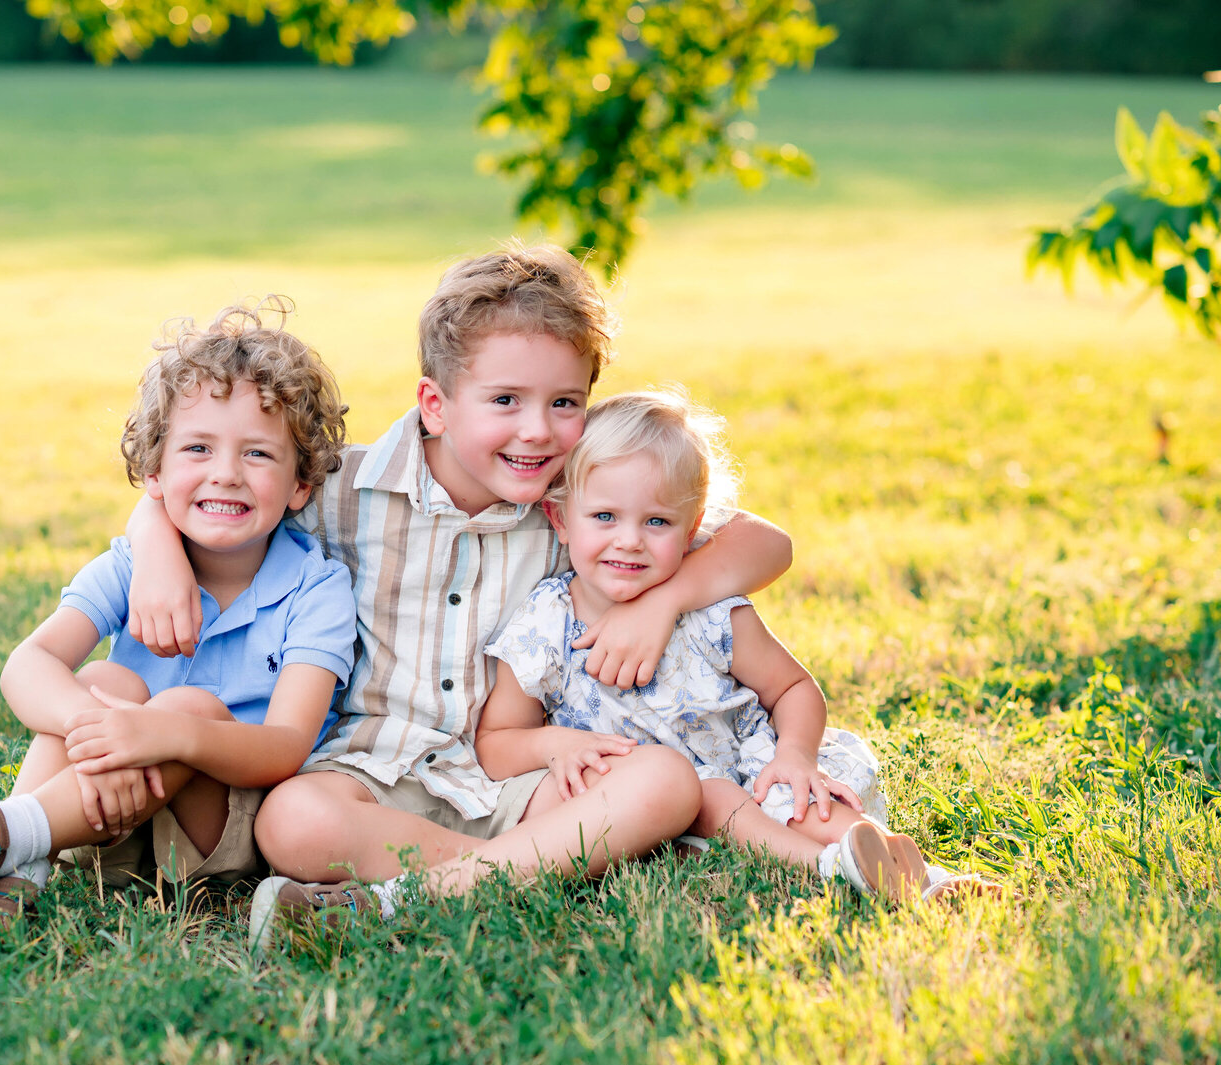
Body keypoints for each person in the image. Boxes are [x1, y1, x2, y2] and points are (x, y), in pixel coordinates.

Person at [123, 244, 794, 951]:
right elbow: (212, 499)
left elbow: (766, 542)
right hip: (371, 771)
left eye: (564, 403)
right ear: (435, 405)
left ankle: (400, 899)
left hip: (524, 777)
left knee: (664, 780)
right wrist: (155, 539)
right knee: (292, 820)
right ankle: (542, 865)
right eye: (506, 400)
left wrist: (663, 600)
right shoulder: (342, 489)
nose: (537, 429)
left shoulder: (575, 504)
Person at [0, 299, 357, 931]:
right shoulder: (134, 563)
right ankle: (17, 876)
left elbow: (283, 747)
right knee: (101, 684)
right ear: (154, 471)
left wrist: (165, 734)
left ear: (301, 483)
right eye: (197, 447)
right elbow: (27, 665)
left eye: (257, 455)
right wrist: (97, 727)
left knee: (186, 706)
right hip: (109, 810)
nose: (225, 474)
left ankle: (6, 831)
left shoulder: (316, 587)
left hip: (224, 826)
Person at [479, 389, 992, 902]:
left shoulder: (711, 611)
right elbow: (496, 741)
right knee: (714, 796)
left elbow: (791, 686)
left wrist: (794, 754)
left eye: (656, 521)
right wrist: (554, 745)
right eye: (605, 517)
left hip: (749, 769)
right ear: (562, 519)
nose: (630, 539)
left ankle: (927, 880)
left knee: (802, 805)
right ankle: (833, 870)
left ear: (692, 529)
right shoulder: (546, 623)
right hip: (642, 804)